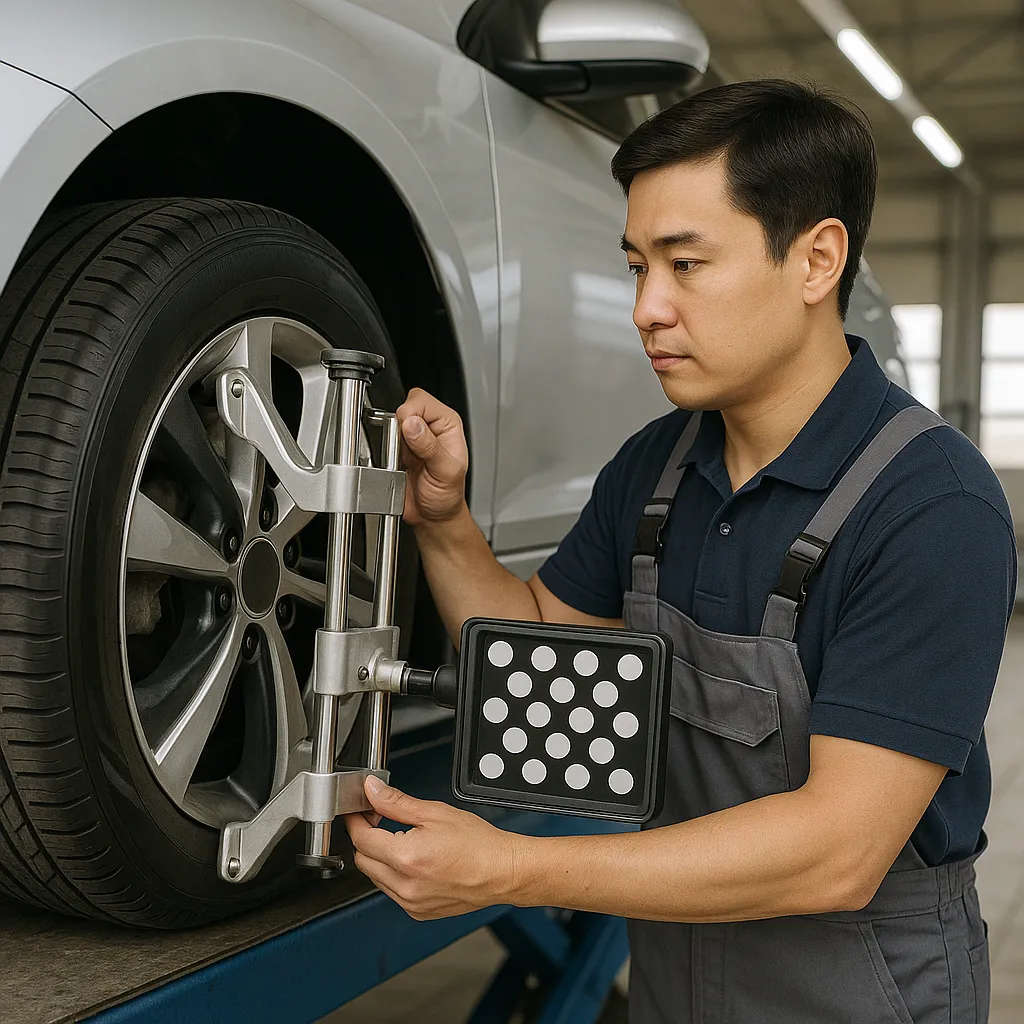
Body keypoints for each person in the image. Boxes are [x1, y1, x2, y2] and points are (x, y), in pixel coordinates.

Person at [344, 79, 1016, 1023]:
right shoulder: (655, 470)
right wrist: (445, 521)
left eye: (686, 264)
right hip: (677, 979)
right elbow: (534, 663)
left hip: (860, 990)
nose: (646, 308)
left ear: (817, 259)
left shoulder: (932, 505)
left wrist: (511, 868)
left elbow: (838, 852)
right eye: (636, 268)